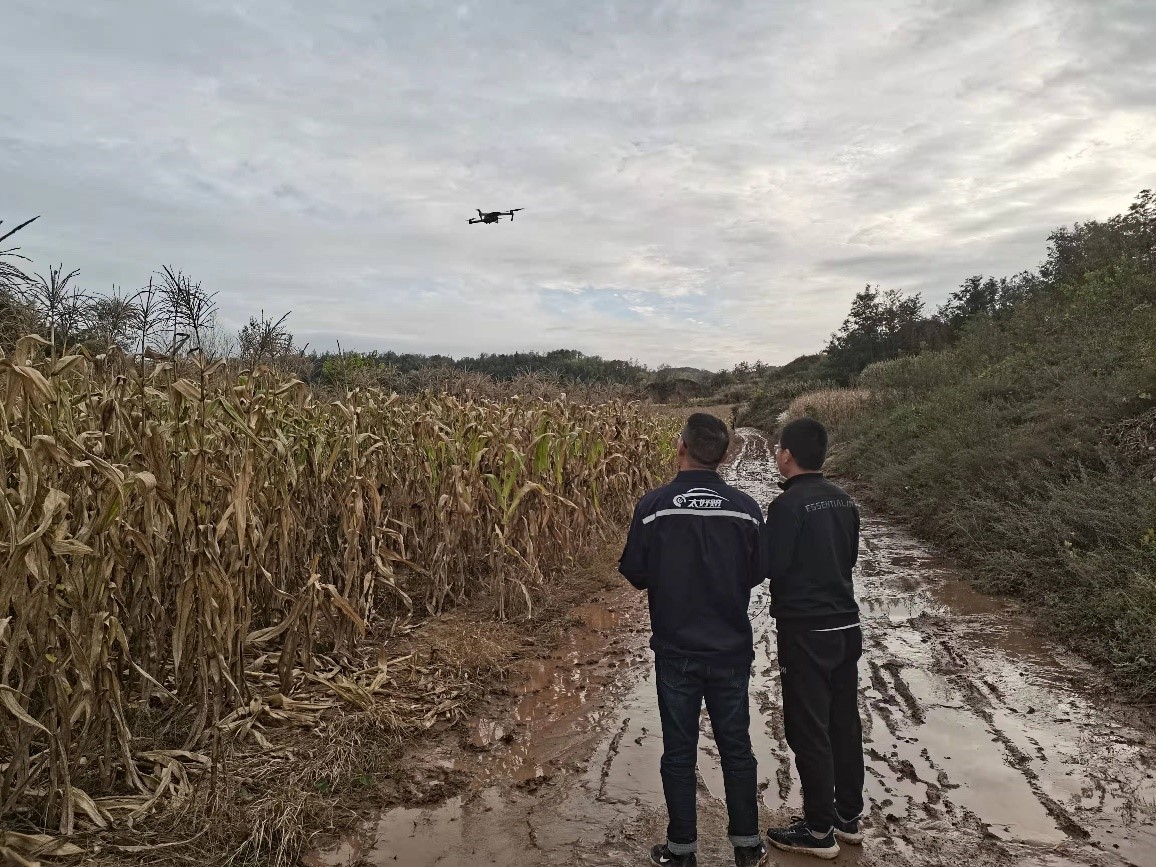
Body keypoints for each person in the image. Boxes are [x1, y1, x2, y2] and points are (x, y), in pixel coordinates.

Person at [619, 413, 769, 867]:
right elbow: (756, 572)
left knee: (679, 750)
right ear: (724, 454)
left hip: (676, 649)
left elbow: (635, 572)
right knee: (736, 748)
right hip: (729, 650)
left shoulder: (654, 506)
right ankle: (747, 846)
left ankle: (681, 851)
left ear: (681, 447)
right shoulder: (746, 508)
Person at [762, 417, 864, 860]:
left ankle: (819, 830)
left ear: (787, 456)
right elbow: (849, 559)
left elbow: (774, 565)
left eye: (778, 449)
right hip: (846, 626)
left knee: (809, 730)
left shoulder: (787, 506)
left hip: (806, 631)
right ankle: (847, 817)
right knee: (844, 722)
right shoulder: (844, 500)